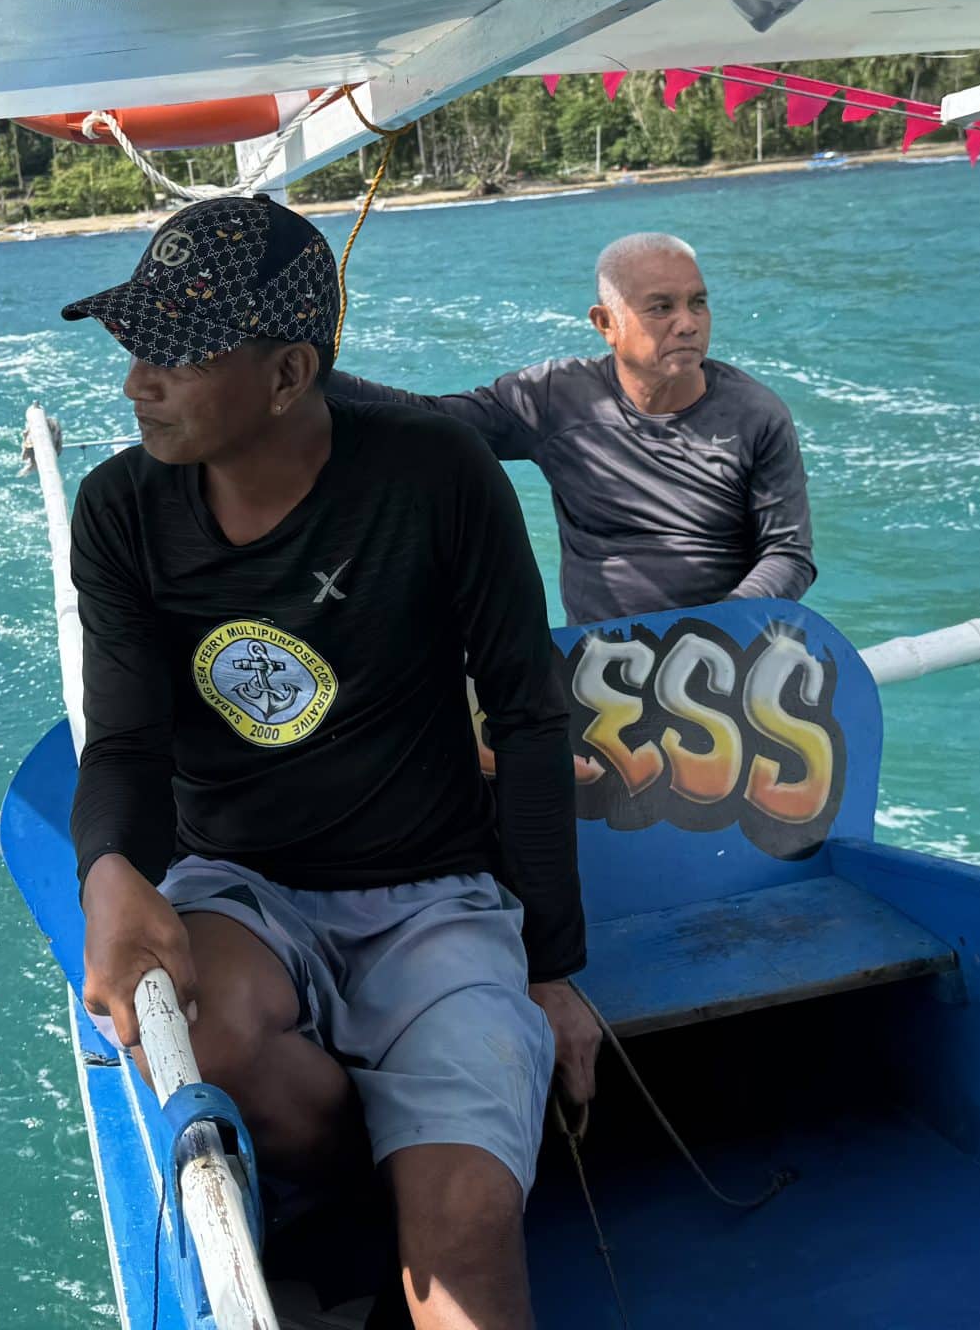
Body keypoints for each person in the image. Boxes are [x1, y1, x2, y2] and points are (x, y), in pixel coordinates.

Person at [61, 192, 597, 1330]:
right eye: (132, 349)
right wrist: (109, 871)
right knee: (196, 1038)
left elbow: (529, 716)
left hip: (438, 900)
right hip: (242, 887)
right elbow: (125, 742)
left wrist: (551, 968)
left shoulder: (439, 475)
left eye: (174, 354)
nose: (134, 384)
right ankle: (375, 1171)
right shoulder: (119, 512)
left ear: (289, 372)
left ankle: (417, 1179)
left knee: (463, 1231)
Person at [332, 231, 814, 626]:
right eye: (661, 308)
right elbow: (430, 420)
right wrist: (306, 371)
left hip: (732, 660)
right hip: (607, 672)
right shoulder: (555, 398)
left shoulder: (757, 414)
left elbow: (788, 554)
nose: (687, 324)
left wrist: (720, 627)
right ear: (606, 323)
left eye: (699, 303)